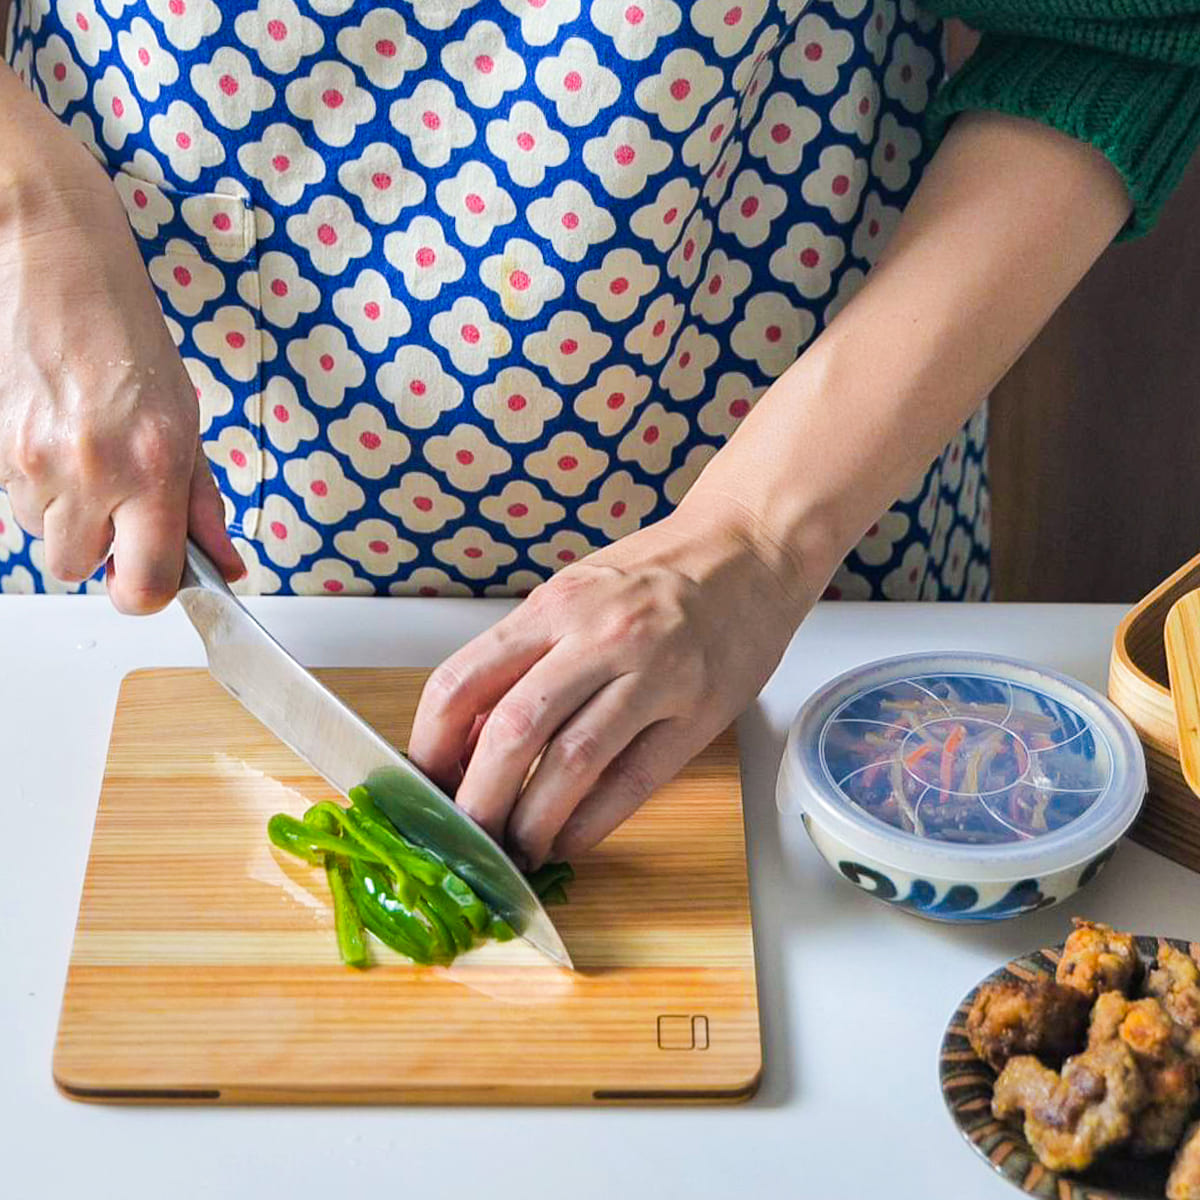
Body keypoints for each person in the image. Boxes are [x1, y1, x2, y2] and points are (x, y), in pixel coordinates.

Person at [0, 0, 1195, 870]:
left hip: (812, 537)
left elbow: (1122, 28)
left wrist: (762, 532)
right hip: (131, 503)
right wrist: (25, 213)